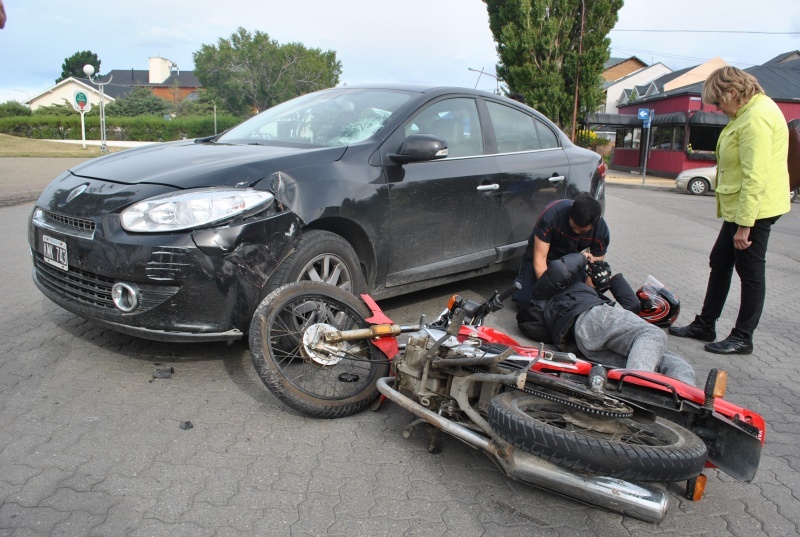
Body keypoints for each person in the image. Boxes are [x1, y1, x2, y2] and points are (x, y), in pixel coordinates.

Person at [669, 66, 791, 355]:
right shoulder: (747, 111)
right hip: (742, 208)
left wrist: (745, 225)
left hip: (756, 209)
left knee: (750, 270)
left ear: (733, 92)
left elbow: (755, 176)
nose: (718, 108)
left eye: (719, 102)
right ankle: (706, 324)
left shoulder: (756, 119)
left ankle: (742, 337)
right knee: (720, 261)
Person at [519, 252, 696, 386]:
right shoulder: (552, 291)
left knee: (671, 363)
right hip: (592, 317)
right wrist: (583, 257)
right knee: (653, 334)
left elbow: (632, 306)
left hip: (586, 342)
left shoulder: (572, 297)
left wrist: (612, 280)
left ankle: (683, 412)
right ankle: (635, 390)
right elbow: (561, 268)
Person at [512, 193, 639, 312]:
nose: (576, 232)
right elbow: (540, 259)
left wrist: (585, 299)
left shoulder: (601, 231)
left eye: (582, 230)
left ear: (593, 225)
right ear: (570, 214)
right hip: (543, 255)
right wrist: (549, 290)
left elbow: (593, 271)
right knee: (524, 301)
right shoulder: (551, 215)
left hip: (569, 261)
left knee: (574, 299)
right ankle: (524, 276)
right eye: (573, 227)